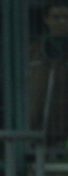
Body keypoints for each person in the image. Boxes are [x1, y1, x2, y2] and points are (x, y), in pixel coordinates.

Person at [27, 0, 68, 158]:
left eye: (65, 17)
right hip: (40, 124)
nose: (62, 22)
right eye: (56, 17)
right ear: (46, 19)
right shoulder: (35, 50)